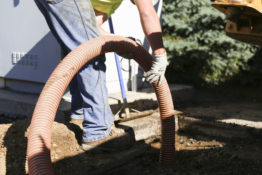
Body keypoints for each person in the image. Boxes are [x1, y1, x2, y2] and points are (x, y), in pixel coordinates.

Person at [33, 0, 166, 151]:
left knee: (77, 49)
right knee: (92, 54)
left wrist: (120, 43)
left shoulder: (109, 3)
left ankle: (81, 115)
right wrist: (160, 54)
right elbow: (148, 12)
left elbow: (91, 28)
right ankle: (99, 131)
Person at [91, 0, 168, 86]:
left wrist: (117, 42)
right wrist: (160, 55)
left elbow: (91, 26)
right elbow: (147, 13)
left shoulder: (112, 3)